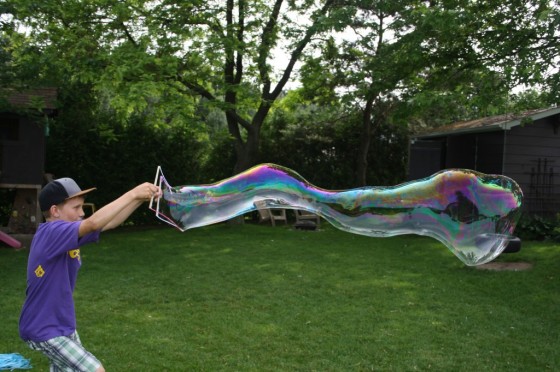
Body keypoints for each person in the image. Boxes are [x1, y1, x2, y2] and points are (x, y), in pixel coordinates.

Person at [19, 177, 162, 372]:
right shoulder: (50, 233)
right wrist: (133, 193)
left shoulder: (66, 234)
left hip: (63, 324)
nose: (82, 213)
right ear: (55, 211)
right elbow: (93, 223)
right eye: (76, 207)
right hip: (44, 328)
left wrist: (139, 200)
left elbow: (109, 223)